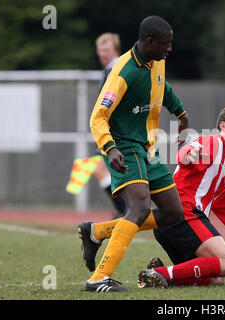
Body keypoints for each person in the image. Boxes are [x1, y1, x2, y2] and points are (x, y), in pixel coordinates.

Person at [78, 15, 189, 292]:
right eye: (166, 44)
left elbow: (162, 85)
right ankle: (98, 279)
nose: (170, 49)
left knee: (173, 212)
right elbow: (97, 116)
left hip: (147, 147)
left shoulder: (157, 58)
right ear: (148, 41)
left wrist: (180, 111)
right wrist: (110, 147)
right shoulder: (123, 72)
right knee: (138, 208)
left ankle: (98, 232)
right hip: (123, 145)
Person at [136, 104, 225, 287]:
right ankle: (159, 273)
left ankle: (167, 276)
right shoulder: (214, 143)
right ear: (223, 126)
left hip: (170, 224)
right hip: (183, 215)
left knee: (216, 279)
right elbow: (187, 153)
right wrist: (187, 156)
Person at [93, 32, 126, 218]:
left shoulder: (116, 70)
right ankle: (126, 210)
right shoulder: (106, 71)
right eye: (99, 50)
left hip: (115, 132)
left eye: (106, 49)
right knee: (105, 170)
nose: (101, 53)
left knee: (106, 169)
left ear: (115, 50)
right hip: (108, 130)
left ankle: (126, 211)